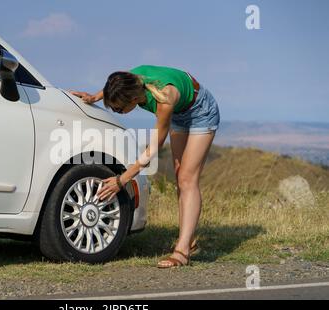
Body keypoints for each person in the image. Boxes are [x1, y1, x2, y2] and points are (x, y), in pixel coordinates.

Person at [69, 65, 220, 268]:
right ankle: (188, 238)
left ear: (133, 100)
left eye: (119, 109)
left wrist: (122, 180)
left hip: (201, 111)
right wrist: (94, 97)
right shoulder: (132, 80)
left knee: (187, 178)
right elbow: (116, 86)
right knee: (179, 176)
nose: (117, 112)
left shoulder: (164, 100)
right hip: (179, 113)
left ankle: (182, 252)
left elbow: (151, 152)